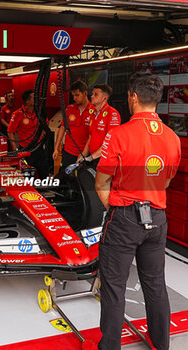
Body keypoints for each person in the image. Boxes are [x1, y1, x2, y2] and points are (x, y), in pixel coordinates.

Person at [95, 72, 181, 350]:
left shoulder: (118, 134)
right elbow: (166, 180)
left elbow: (101, 183)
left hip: (124, 217)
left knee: (114, 286)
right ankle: (161, 344)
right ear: (157, 99)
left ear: (132, 97)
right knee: (155, 284)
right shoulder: (172, 138)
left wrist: (119, 210)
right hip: (157, 218)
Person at [52, 80, 95, 169]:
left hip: (85, 153)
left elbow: (94, 135)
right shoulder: (69, 109)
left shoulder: (94, 110)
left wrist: (85, 153)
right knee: (66, 176)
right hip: (69, 152)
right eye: (73, 96)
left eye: (77, 95)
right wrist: (56, 148)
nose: (75, 98)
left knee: (82, 180)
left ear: (85, 93)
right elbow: (62, 128)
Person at [7, 90, 49, 179]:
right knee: (28, 176)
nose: (37, 99)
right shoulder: (17, 114)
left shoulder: (39, 113)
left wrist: (43, 134)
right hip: (26, 150)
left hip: (39, 148)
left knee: (44, 173)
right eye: (34, 98)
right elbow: (10, 131)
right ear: (27, 101)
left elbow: (46, 125)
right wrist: (15, 149)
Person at [77, 84, 121, 168]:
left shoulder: (112, 113)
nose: (92, 96)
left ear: (104, 98)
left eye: (96, 94)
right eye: (92, 94)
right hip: (93, 158)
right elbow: (90, 136)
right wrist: (83, 154)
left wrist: (91, 157)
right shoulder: (92, 113)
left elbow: (110, 141)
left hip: (104, 159)